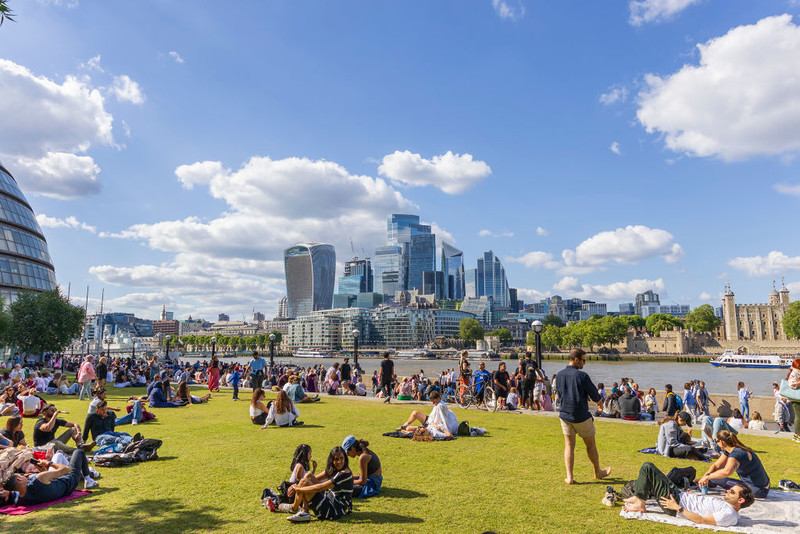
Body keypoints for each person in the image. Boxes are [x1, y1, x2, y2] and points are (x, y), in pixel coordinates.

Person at [622, 461, 754, 527]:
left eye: (732, 492)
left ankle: (640, 502)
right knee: (659, 472)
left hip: (675, 502)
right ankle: (639, 496)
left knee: (648, 467)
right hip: (680, 496)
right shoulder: (729, 509)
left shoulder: (729, 515)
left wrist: (677, 507)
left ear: (740, 500)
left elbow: (702, 521)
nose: (727, 491)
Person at [555, 348, 611, 485]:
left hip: (564, 414)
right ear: (576, 360)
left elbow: (560, 395)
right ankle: (597, 472)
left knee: (569, 445)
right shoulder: (582, 376)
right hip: (581, 415)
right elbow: (594, 394)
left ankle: (569, 477)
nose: (584, 363)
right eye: (583, 360)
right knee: (590, 443)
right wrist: (600, 404)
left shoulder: (559, 375)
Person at [284, 446, 353, 523]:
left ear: (345, 459)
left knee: (305, 482)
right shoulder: (333, 469)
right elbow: (311, 478)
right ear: (332, 460)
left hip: (335, 510)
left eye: (341, 458)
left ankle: (295, 508)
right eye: (336, 459)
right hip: (330, 499)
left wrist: (298, 489)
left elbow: (320, 487)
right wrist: (296, 485)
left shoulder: (344, 473)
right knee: (308, 476)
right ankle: (301, 510)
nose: (339, 461)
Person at [699, 430, 770, 498]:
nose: (715, 443)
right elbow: (716, 465)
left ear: (721, 442)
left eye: (716, 441)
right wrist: (705, 476)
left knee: (718, 479)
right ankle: (704, 483)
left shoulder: (737, 453)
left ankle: (705, 483)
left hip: (758, 490)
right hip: (761, 486)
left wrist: (708, 477)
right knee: (714, 477)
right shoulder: (732, 449)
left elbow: (727, 472)